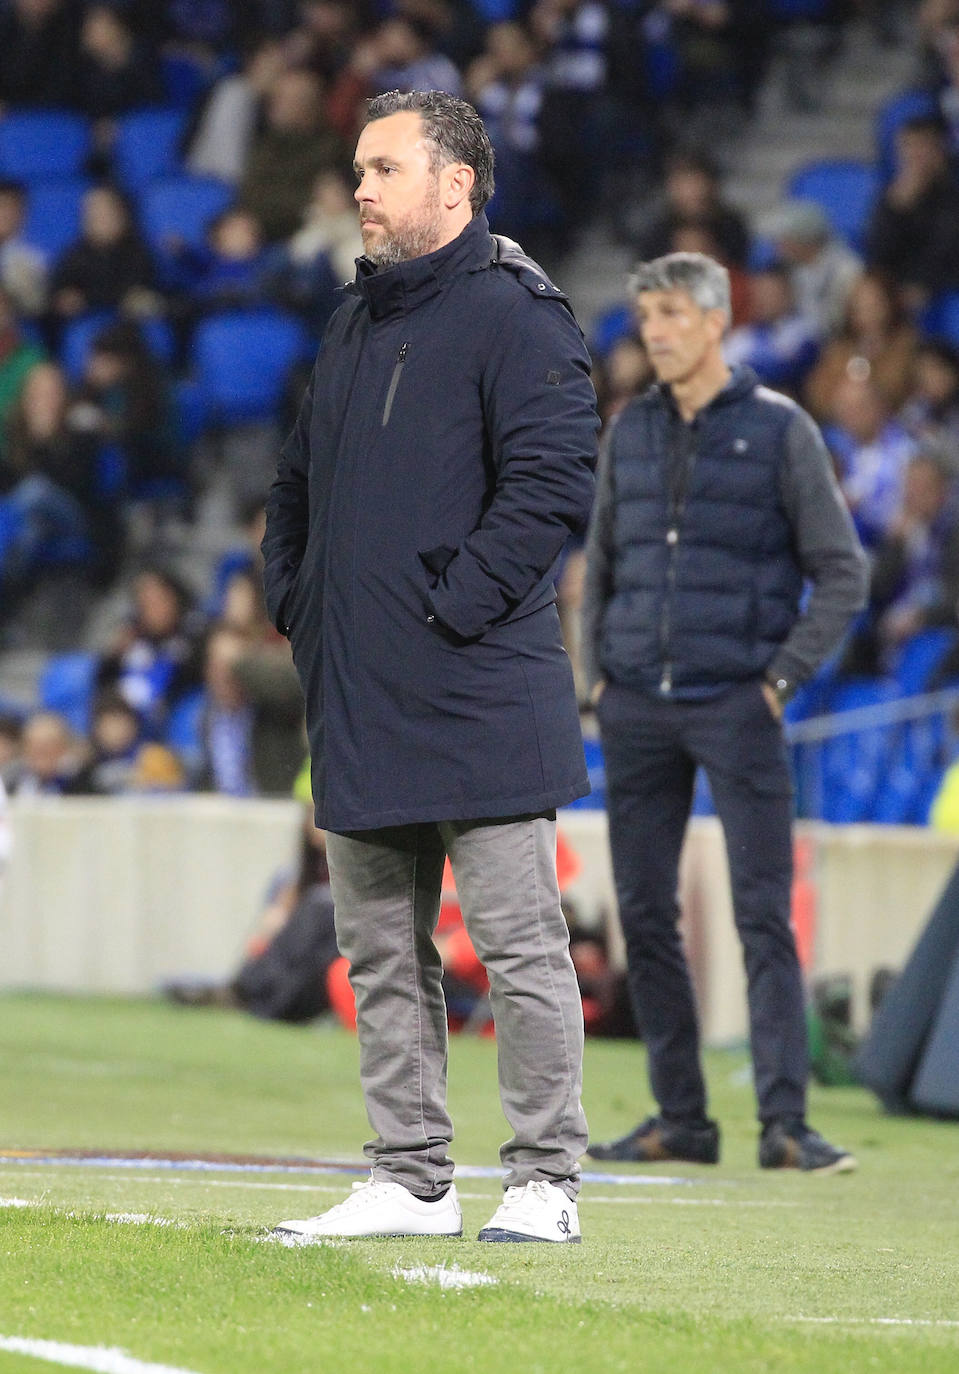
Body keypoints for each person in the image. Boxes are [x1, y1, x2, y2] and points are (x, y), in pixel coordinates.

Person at [262, 89, 598, 1243]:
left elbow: (552, 486)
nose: (359, 186)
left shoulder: (519, 313)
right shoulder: (353, 319)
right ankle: (409, 1178)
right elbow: (294, 480)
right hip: (358, 686)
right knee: (378, 954)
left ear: (454, 184)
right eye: (358, 167)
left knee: (515, 946)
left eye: (383, 168)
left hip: (477, 687)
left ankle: (546, 1179)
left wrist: (447, 607)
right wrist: (297, 602)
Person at [582, 251, 868, 1174]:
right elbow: (600, 564)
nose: (653, 332)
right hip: (636, 705)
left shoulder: (781, 431)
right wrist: (596, 678)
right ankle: (683, 1119)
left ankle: (783, 1123)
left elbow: (842, 572)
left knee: (760, 914)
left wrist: (778, 682)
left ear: (714, 321)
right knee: (643, 914)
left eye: (668, 313)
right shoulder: (626, 430)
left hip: (736, 705)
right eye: (644, 316)